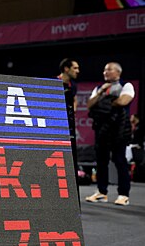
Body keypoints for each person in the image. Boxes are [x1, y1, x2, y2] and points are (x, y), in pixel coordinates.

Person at [85, 62, 134, 206]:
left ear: (118, 72)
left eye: (109, 70)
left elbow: (123, 101)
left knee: (119, 160)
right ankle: (102, 192)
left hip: (119, 129)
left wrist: (101, 104)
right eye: (104, 70)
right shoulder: (99, 88)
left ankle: (123, 194)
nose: (105, 72)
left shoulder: (126, 86)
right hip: (101, 129)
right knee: (101, 161)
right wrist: (101, 93)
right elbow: (89, 105)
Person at [57, 58, 80, 176]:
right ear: (66, 69)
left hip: (68, 124)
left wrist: (73, 110)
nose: (78, 71)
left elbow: (74, 99)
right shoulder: (53, 83)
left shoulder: (73, 86)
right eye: (75, 68)